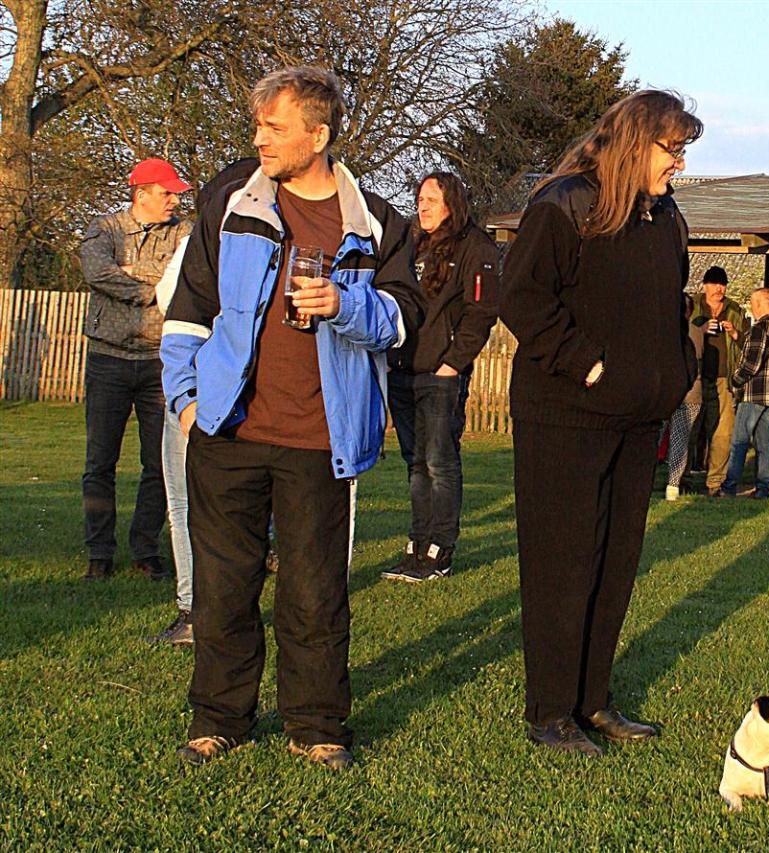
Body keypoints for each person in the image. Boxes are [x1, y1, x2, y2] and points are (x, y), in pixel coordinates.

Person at [160, 67, 425, 770]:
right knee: (223, 590)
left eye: (274, 128)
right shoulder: (230, 203)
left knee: (314, 594)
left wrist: (345, 304)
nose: (259, 140)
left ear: (319, 135)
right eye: (258, 126)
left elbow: (405, 319)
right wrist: (187, 402)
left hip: (319, 440)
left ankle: (316, 725)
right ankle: (218, 718)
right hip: (227, 433)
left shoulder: (376, 223)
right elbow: (188, 310)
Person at [499, 89, 702, 757]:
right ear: (637, 142)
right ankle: (550, 711)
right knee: (563, 565)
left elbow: (670, 305)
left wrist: (676, 372)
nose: (680, 163)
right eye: (673, 149)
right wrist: (585, 363)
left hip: (637, 420)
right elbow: (521, 297)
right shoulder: (565, 204)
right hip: (565, 416)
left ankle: (592, 699)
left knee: (614, 566)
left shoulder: (666, 216)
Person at [148, 157, 260, 645]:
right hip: (249, 387)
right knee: (243, 506)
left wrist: (185, 398)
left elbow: (166, 297)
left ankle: (196, 610)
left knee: (185, 501)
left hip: (200, 384)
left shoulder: (199, 241)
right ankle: (231, 606)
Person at [382, 171, 500, 582]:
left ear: (452, 203)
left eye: (431, 200)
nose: (423, 207)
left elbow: (481, 312)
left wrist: (452, 364)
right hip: (404, 370)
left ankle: (440, 550)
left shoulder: (476, 247)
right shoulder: (414, 247)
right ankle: (417, 545)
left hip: (441, 376)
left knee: (439, 462)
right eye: (420, 200)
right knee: (415, 463)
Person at [79, 158, 192, 582]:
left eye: (175, 193)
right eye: (167, 193)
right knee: (99, 462)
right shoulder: (105, 229)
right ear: (141, 194)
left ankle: (146, 549)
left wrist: (133, 273)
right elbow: (97, 273)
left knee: (159, 464)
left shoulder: (183, 232)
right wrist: (155, 288)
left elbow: (184, 276)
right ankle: (99, 552)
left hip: (160, 360)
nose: (174, 200)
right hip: (108, 359)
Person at [720, 288, 769, 498]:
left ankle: (729, 485)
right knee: (764, 443)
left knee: (739, 440)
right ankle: (763, 487)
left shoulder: (760, 328)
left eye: (752, 303)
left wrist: (735, 380)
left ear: (759, 303)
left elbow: (752, 364)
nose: (751, 307)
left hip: (753, 393)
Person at [692, 266, 744, 493]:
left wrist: (734, 333)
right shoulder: (692, 305)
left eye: (722, 284)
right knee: (690, 428)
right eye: (714, 284)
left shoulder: (734, 310)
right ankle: (680, 479)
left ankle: (715, 482)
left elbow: (746, 342)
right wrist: (701, 329)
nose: (718, 289)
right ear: (705, 285)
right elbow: (680, 333)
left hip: (724, 378)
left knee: (724, 432)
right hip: (695, 378)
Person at [665, 293, 705, 501]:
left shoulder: (665, 331)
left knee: (658, 437)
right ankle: (673, 484)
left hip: (668, 392)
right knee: (680, 440)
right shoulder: (696, 332)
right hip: (691, 393)